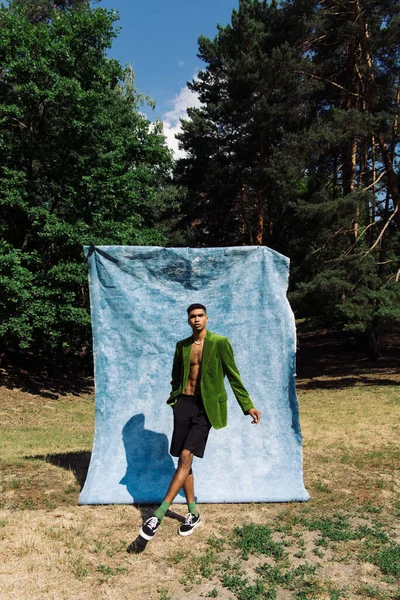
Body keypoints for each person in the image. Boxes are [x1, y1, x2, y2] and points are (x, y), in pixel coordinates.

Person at [139, 303, 261, 540]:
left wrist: (247, 406)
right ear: (188, 320)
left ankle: (158, 515)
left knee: (185, 456)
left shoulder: (220, 343)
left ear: (207, 318)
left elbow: (234, 377)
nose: (196, 319)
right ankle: (193, 513)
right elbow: (176, 376)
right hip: (183, 405)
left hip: (206, 408)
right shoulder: (182, 346)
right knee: (186, 459)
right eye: (192, 316)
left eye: (200, 315)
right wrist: (175, 400)